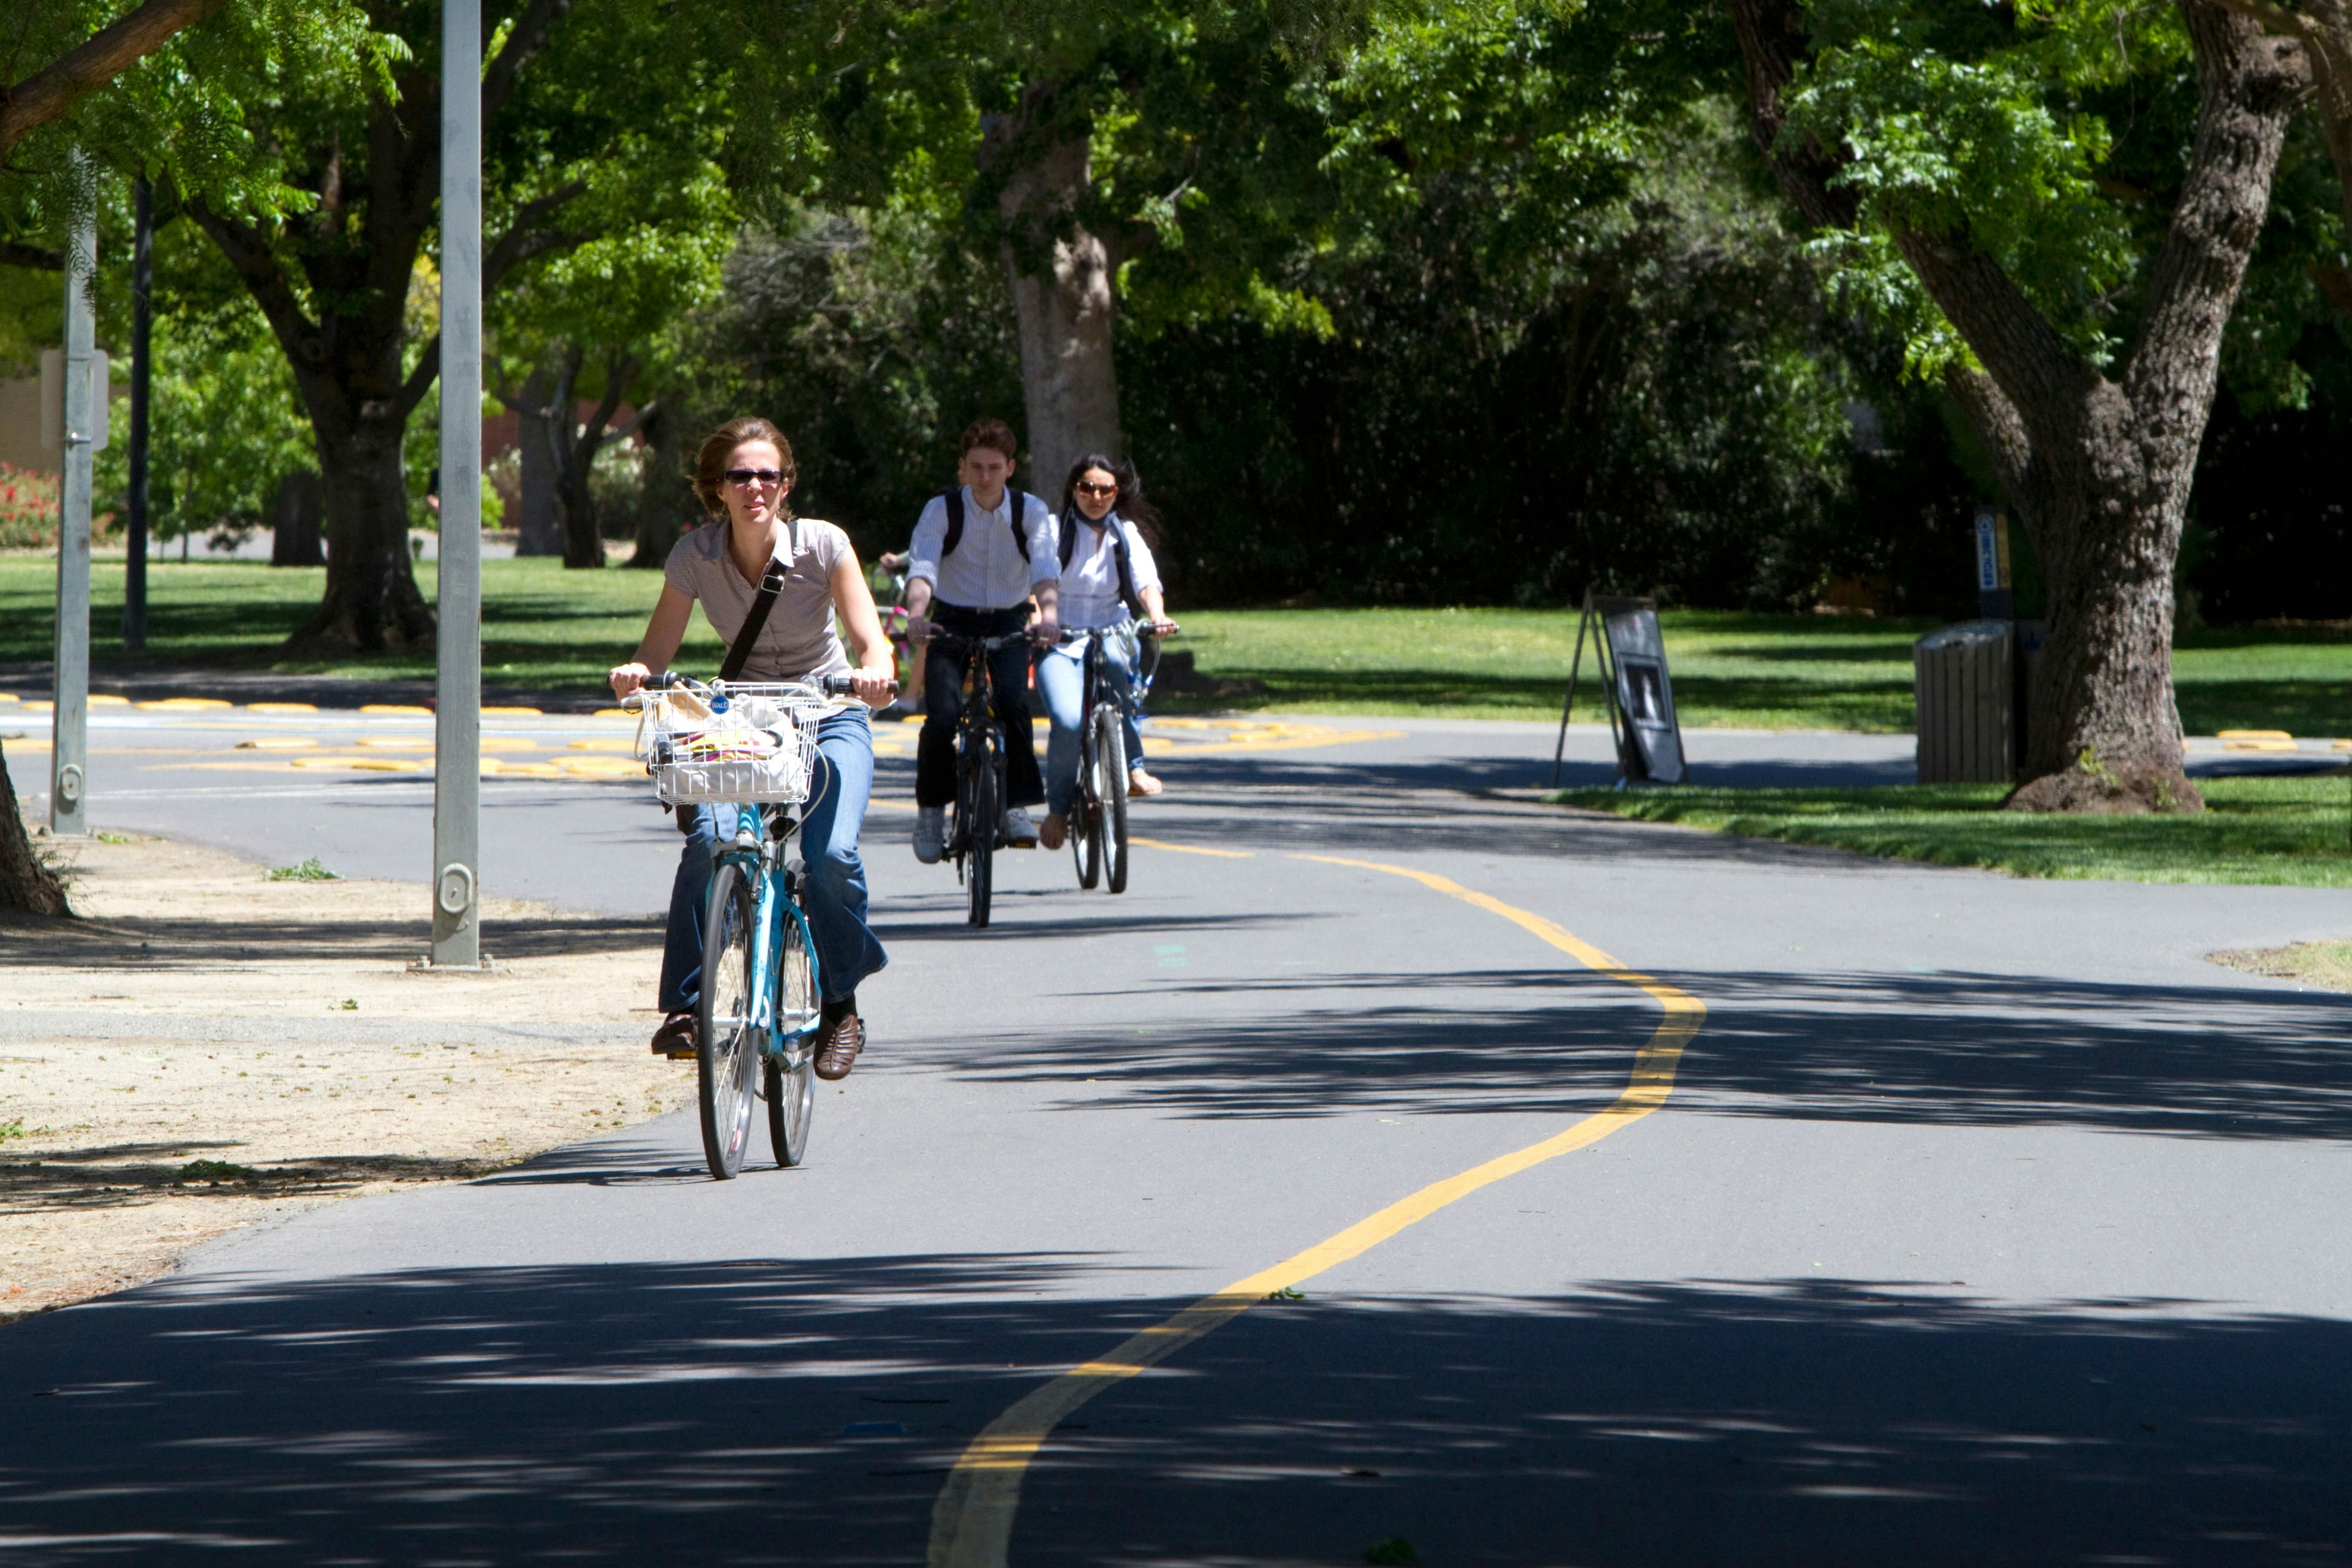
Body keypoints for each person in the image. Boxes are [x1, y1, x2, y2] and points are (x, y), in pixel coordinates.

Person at [608, 417, 895, 1082]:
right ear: (718, 488)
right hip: (740, 722)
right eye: (740, 475)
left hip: (828, 713)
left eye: (769, 474)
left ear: (787, 484)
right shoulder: (694, 557)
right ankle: (685, 1006)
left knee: (830, 856)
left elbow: (869, 639)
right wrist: (635, 673)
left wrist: (874, 673)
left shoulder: (824, 545)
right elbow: (656, 653)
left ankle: (841, 1003)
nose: (755, 487)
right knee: (709, 841)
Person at [902, 418, 1060, 862]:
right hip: (951, 619)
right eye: (976, 467)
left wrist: (1048, 616)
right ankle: (932, 809)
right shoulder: (942, 510)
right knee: (943, 715)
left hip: (1009, 619)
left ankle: (1015, 807)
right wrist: (916, 617)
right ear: (963, 468)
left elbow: (1045, 570)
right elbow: (923, 569)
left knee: (1012, 703)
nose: (985, 476)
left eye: (994, 467)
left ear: (1010, 467)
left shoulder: (1031, 511)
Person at [1035, 454, 1176, 851]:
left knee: (1124, 686)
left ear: (1117, 494)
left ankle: (1132, 768)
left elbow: (1146, 581)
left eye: (1105, 489)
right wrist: (1040, 620)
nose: (1096, 497)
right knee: (1065, 721)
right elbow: (1039, 578)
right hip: (1060, 637)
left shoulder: (1125, 533)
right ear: (1074, 491)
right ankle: (1059, 810)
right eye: (1087, 488)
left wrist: (1158, 615)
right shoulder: (1051, 530)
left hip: (1111, 628)